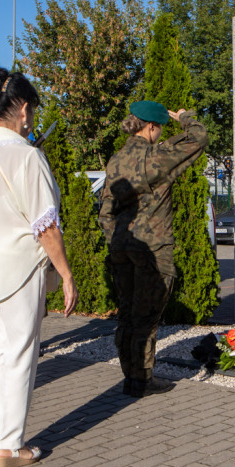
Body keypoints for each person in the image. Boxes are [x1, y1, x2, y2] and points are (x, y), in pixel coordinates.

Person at [0, 69, 78, 467]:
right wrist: (67, 274)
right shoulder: (27, 156)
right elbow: (47, 226)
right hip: (21, 272)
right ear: (22, 109)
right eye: (33, 110)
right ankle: (11, 447)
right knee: (21, 357)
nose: (34, 119)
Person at [99, 101, 208, 398]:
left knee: (127, 315)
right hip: (153, 247)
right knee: (146, 318)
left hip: (122, 246)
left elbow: (105, 211)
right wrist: (184, 116)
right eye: (159, 128)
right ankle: (141, 381)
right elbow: (199, 137)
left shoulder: (116, 160)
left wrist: (116, 240)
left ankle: (130, 377)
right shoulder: (158, 156)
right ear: (151, 127)